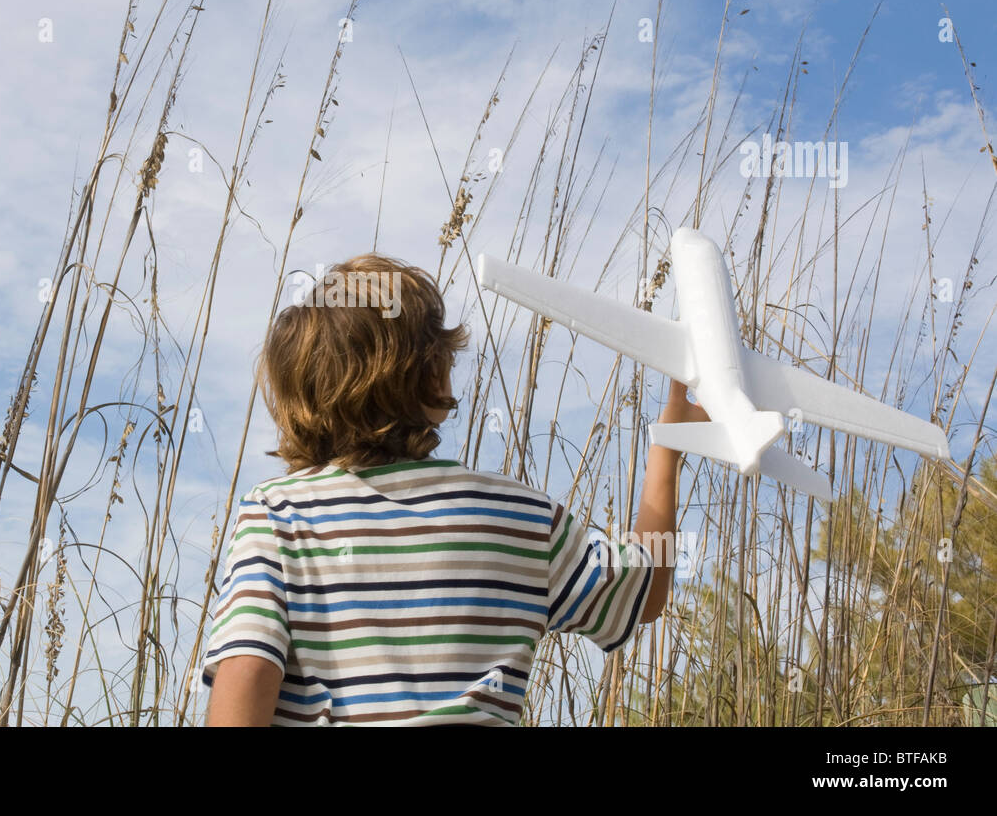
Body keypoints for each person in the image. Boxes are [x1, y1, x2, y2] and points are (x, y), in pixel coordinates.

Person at [201, 253, 706, 726]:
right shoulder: (522, 517)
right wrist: (669, 446)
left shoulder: (278, 515)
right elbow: (645, 594)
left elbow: (247, 677)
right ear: (434, 374)